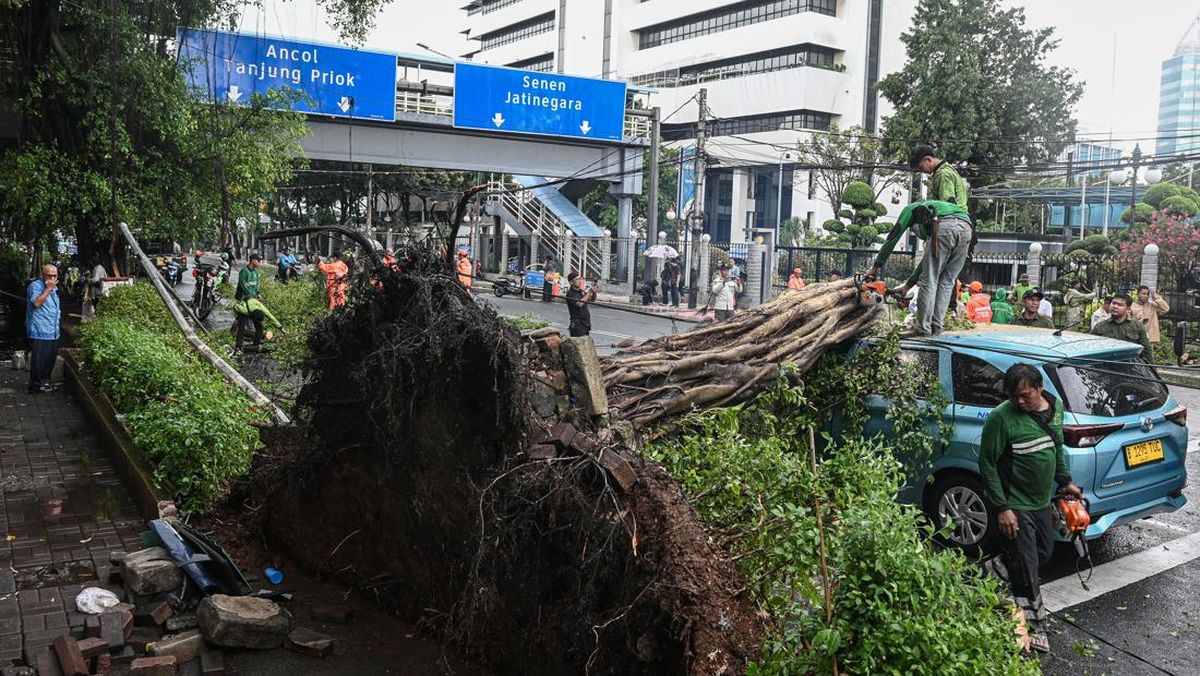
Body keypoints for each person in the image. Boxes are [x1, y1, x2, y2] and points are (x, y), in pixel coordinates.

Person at [979, 363, 1082, 654]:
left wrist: (1065, 481)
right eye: (1014, 396)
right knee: (1026, 567)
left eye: (1025, 395)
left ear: (1039, 388)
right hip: (1015, 504)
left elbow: (1056, 446)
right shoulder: (1002, 418)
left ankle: (983, 577)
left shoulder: (1055, 407)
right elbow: (987, 463)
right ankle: (1036, 626)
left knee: (1043, 553)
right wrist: (1002, 507)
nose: (1019, 402)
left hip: (1040, 501)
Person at [869, 200, 972, 336]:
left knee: (929, 281)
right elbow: (926, 263)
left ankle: (922, 328)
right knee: (947, 282)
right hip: (967, 228)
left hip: (943, 225)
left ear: (916, 226)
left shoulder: (910, 210)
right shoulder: (935, 209)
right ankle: (936, 326)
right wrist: (908, 285)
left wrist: (876, 266)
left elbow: (893, 237)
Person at [25, 265, 61, 393]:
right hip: (39, 329)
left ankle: (45, 382)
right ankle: (35, 385)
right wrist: (48, 289)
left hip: (53, 330)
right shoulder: (35, 286)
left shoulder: (54, 288)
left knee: (50, 359)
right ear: (42, 274)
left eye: (54, 275)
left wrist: (51, 288)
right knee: (39, 360)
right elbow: (36, 303)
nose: (51, 278)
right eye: (48, 275)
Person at [1093, 292, 1152, 361]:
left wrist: (1149, 366)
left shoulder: (1137, 326)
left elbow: (1147, 350)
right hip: (1106, 365)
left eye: (1120, 305)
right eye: (1113, 303)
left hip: (1130, 365)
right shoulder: (1100, 327)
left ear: (1128, 308)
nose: (1115, 306)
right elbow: (1092, 349)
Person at [1131, 285, 1170, 350]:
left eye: (1147, 294)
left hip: (1150, 339)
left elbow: (1166, 309)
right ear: (1138, 294)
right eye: (1143, 293)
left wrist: (1155, 295)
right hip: (1136, 338)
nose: (1146, 296)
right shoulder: (1132, 306)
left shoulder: (1153, 305)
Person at [565, 272, 596, 337]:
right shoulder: (570, 294)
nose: (580, 281)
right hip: (577, 325)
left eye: (580, 279)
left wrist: (594, 291)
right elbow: (579, 304)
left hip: (585, 324)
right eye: (577, 279)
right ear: (571, 282)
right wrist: (589, 292)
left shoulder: (581, 292)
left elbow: (592, 300)